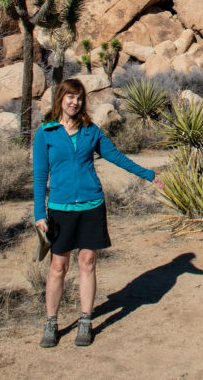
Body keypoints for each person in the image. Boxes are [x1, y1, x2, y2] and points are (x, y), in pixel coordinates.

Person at [33, 78, 165, 348]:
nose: (75, 102)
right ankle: (51, 321)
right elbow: (39, 177)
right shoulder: (45, 133)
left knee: (87, 263)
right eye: (70, 97)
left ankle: (85, 320)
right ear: (60, 98)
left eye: (79, 98)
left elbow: (115, 156)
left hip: (91, 205)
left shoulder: (89, 130)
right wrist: (39, 213)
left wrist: (148, 174)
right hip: (60, 208)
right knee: (58, 266)